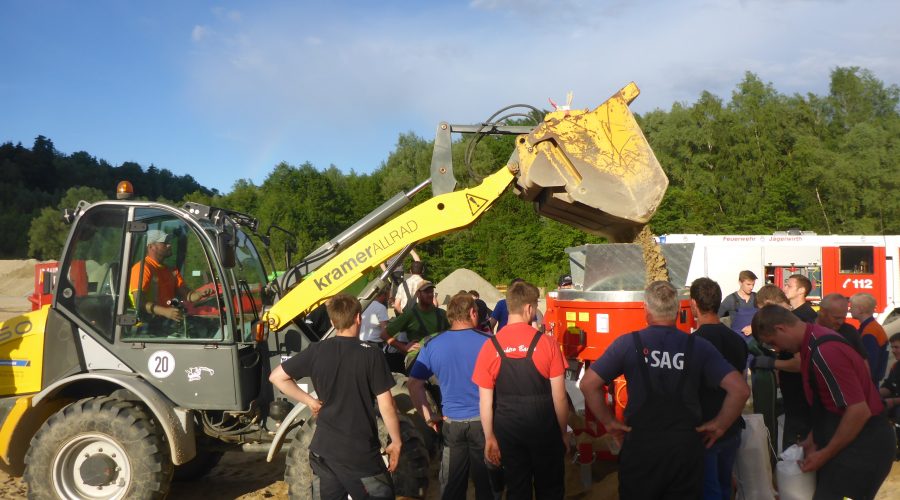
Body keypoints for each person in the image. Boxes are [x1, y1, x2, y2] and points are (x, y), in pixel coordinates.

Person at [580, 281, 749, 500]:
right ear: (679, 310)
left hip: (641, 446)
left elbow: (588, 384)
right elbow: (740, 390)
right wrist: (720, 425)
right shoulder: (698, 346)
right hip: (684, 448)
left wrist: (609, 423)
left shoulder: (628, 344)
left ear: (645, 309)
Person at [751, 305, 895, 500]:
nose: (777, 349)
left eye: (772, 343)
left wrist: (825, 453)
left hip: (862, 447)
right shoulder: (814, 341)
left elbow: (858, 411)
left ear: (781, 328)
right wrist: (813, 438)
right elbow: (830, 405)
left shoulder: (824, 352)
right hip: (848, 443)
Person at [268, 294, 401, 499]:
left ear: (332, 321)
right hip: (359, 453)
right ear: (358, 318)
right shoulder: (371, 354)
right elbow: (387, 404)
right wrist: (396, 441)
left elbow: (277, 377)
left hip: (324, 452)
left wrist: (310, 401)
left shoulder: (317, 350)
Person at [473, 280, 569, 499]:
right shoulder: (547, 343)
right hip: (544, 426)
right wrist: (563, 432)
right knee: (551, 488)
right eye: (535, 306)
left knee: (517, 488)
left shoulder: (491, 345)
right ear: (528, 308)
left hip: (508, 429)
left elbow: (485, 401)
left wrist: (489, 438)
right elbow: (560, 397)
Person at [408, 292, 494, 500]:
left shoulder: (432, 344)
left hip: (451, 424)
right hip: (484, 424)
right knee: (488, 486)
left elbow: (414, 385)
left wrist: (428, 416)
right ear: (473, 313)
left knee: (452, 487)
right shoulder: (491, 342)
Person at [690, 278, 749, 500]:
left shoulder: (692, 343)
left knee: (709, 489)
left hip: (705, 428)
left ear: (693, 304)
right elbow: (742, 379)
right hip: (731, 426)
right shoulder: (737, 341)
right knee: (725, 485)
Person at [129, 229, 213, 323]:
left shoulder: (171, 270)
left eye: (168, 242)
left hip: (167, 322)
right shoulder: (142, 268)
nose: (169, 245)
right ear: (151, 246)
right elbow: (139, 303)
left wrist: (199, 294)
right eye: (164, 243)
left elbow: (187, 295)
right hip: (146, 326)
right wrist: (165, 312)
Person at [747, 284, 789, 455]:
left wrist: (773, 365)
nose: (761, 315)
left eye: (762, 309)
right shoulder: (784, 318)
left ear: (770, 302)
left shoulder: (791, 319)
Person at [780, 273, 816, 451]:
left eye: (789, 285)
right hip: (793, 388)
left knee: (795, 439)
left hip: (799, 388)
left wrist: (772, 363)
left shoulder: (803, 317)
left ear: (801, 290)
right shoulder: (795, 314)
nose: (784, 288)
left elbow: (799, 361)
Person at [386, 280, 450, 373]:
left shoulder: (442, 313)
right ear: (417, 294)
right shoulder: (410, 314)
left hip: (439, 359)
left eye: (431, 291)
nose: (430, 294)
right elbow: (384, 334)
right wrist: (403, 347)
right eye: (426, 292)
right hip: (418, 360)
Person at [850, 292, 889, 385]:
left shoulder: (869, 332)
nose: (850, 309)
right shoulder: (873, 328)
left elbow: (869, 364)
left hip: (868, 384)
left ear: (860, 309)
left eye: (852, 306)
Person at [816, 293, 867, 359]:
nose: (840, 322)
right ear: (822, 312)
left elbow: (863, 361)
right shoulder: (806, 330)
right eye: (836, 318)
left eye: (843, 318)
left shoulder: (850, 332)